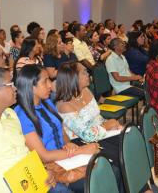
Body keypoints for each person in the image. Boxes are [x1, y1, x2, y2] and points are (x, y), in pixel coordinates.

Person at [14, 64, 100, 192]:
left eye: (49, 79)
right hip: (50, 167)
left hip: (65, 156)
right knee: (98, 179)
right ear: (31, 87)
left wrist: (68, 143)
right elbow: (44, 156)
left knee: (107, 168)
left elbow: (61, 128)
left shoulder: (46, 102)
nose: (50, 85)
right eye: (45, 81)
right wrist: (81, 151)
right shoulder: (22, 115)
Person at [56, 62, 122, 142]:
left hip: (101, 133)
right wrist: (107, 125)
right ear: (73, 78)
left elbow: (97, 118)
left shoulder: (85, 90)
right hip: (83, 143)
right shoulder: (64, 106)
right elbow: (87, 135)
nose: (88, 74)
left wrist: (113, 126)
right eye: (84, 72)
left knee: (126, 135)